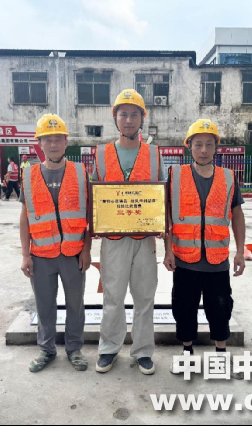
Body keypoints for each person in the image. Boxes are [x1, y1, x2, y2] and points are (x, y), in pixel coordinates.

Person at [163, 119, 246, 374]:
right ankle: (187, 351)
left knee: (220, 308)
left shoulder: (228, 178)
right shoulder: (175, 176)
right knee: (184, 308)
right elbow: (166, 215)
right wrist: (167, 250)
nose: (203, 150)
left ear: (216, 147)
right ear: (189, 146)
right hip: (184, 259)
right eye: (198, 144)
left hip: (217, 261)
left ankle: (220, 353)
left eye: (209, 144)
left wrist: (240, 251)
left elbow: (237, 216)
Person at [93, 89, 167, 376]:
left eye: (134, 114)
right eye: (123, 114)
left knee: (145, 297)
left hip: (145, 238)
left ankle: (143, 351)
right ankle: (108, 349)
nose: (128, 120)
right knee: (113, 296)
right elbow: (95, 195)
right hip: (113, 239)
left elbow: (162, 194)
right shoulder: (101, 154)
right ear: (115, 118)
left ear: (141, 118)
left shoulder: (154, 154)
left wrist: (162, 226)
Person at [20, 114, 91, 373]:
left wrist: (86, 250)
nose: (53, 144)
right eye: (47, 139)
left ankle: (74, 349)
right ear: (39, 143)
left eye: (58, 139)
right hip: (41, 254)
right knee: (44, 305)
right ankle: (47, 350)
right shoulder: (29, 175)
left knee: (75, 304)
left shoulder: (80, 172)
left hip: (73, 253)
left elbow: (89, 215)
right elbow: (25, 217)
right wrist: (25, 254)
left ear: (66, 142)